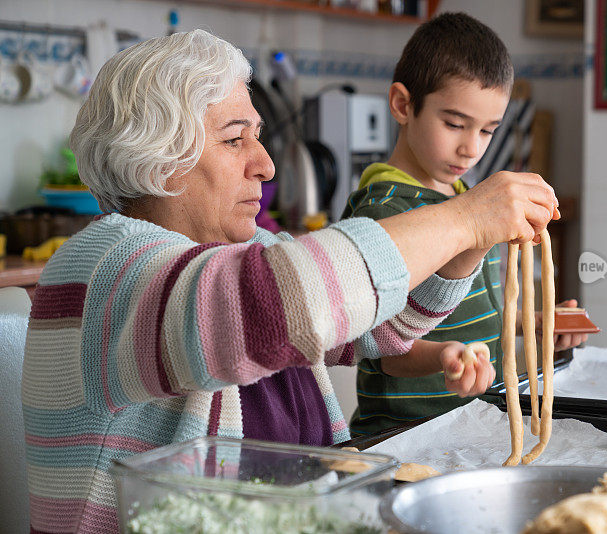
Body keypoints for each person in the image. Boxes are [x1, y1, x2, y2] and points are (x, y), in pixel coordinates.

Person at [21, 29, 559, 533]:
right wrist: (462, 217)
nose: (266, 165)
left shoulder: (247, 249)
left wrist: (473, 241)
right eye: (236, 140)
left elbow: (386, 325)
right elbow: (268, 305)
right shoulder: (102, 269)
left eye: (259, 137)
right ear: (159, 162)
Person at [343, 13, 587, 437]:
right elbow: (381, 348)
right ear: (403, 105)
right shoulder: (384, 211)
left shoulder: (466, 198)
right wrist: (446, 356)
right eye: (454, 124)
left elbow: (479, 311)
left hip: (469, 425)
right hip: (403, 433)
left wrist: (534, 320)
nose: (470, 147)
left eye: (488, 130)